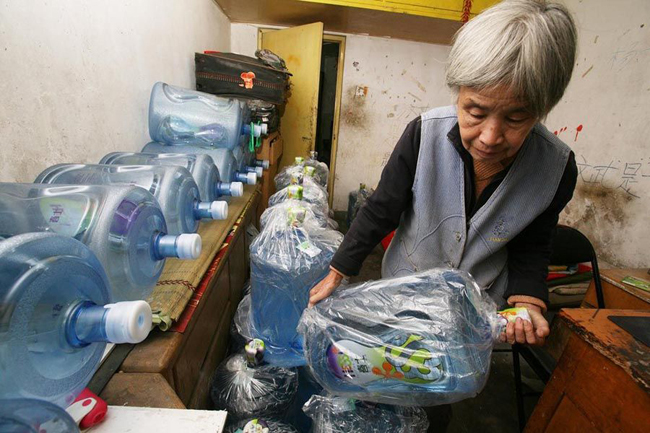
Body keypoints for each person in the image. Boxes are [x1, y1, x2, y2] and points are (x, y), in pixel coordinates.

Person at [310, 0, 578, 352]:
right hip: (402, 294)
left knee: (443, 383)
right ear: (458, 92)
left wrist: (528, 302)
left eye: (515, 119)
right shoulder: (423, 134)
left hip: (474, 311)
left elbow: (532, 243)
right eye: (475, 111)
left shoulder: (555, 168)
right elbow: (382, 207)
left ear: (543, 109)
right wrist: (339, 270)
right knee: (392, 367)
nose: (489, 137)